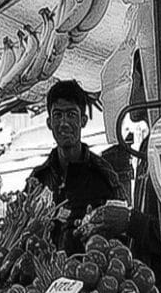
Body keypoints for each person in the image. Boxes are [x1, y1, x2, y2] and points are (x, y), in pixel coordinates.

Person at [27, 79, 124, 227]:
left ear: (83, 120)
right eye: (57, 115)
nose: (64, 123)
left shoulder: (105, 177)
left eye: (71, 114)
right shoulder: (39, 179)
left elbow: (121, 230)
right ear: (49, 123)